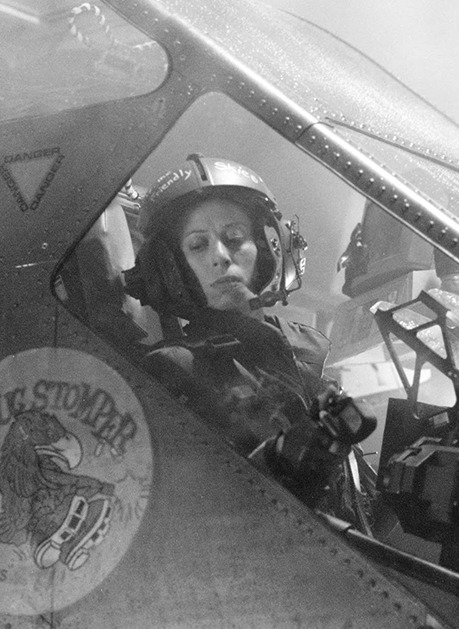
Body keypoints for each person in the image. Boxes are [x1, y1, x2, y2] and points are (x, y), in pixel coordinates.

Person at [123, 154, 374, 505]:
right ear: (172, 269)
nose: (220, 256)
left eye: (235, 238)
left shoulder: (306, 349)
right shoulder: (173, 368)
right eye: (198, 245)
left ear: (269, 248)